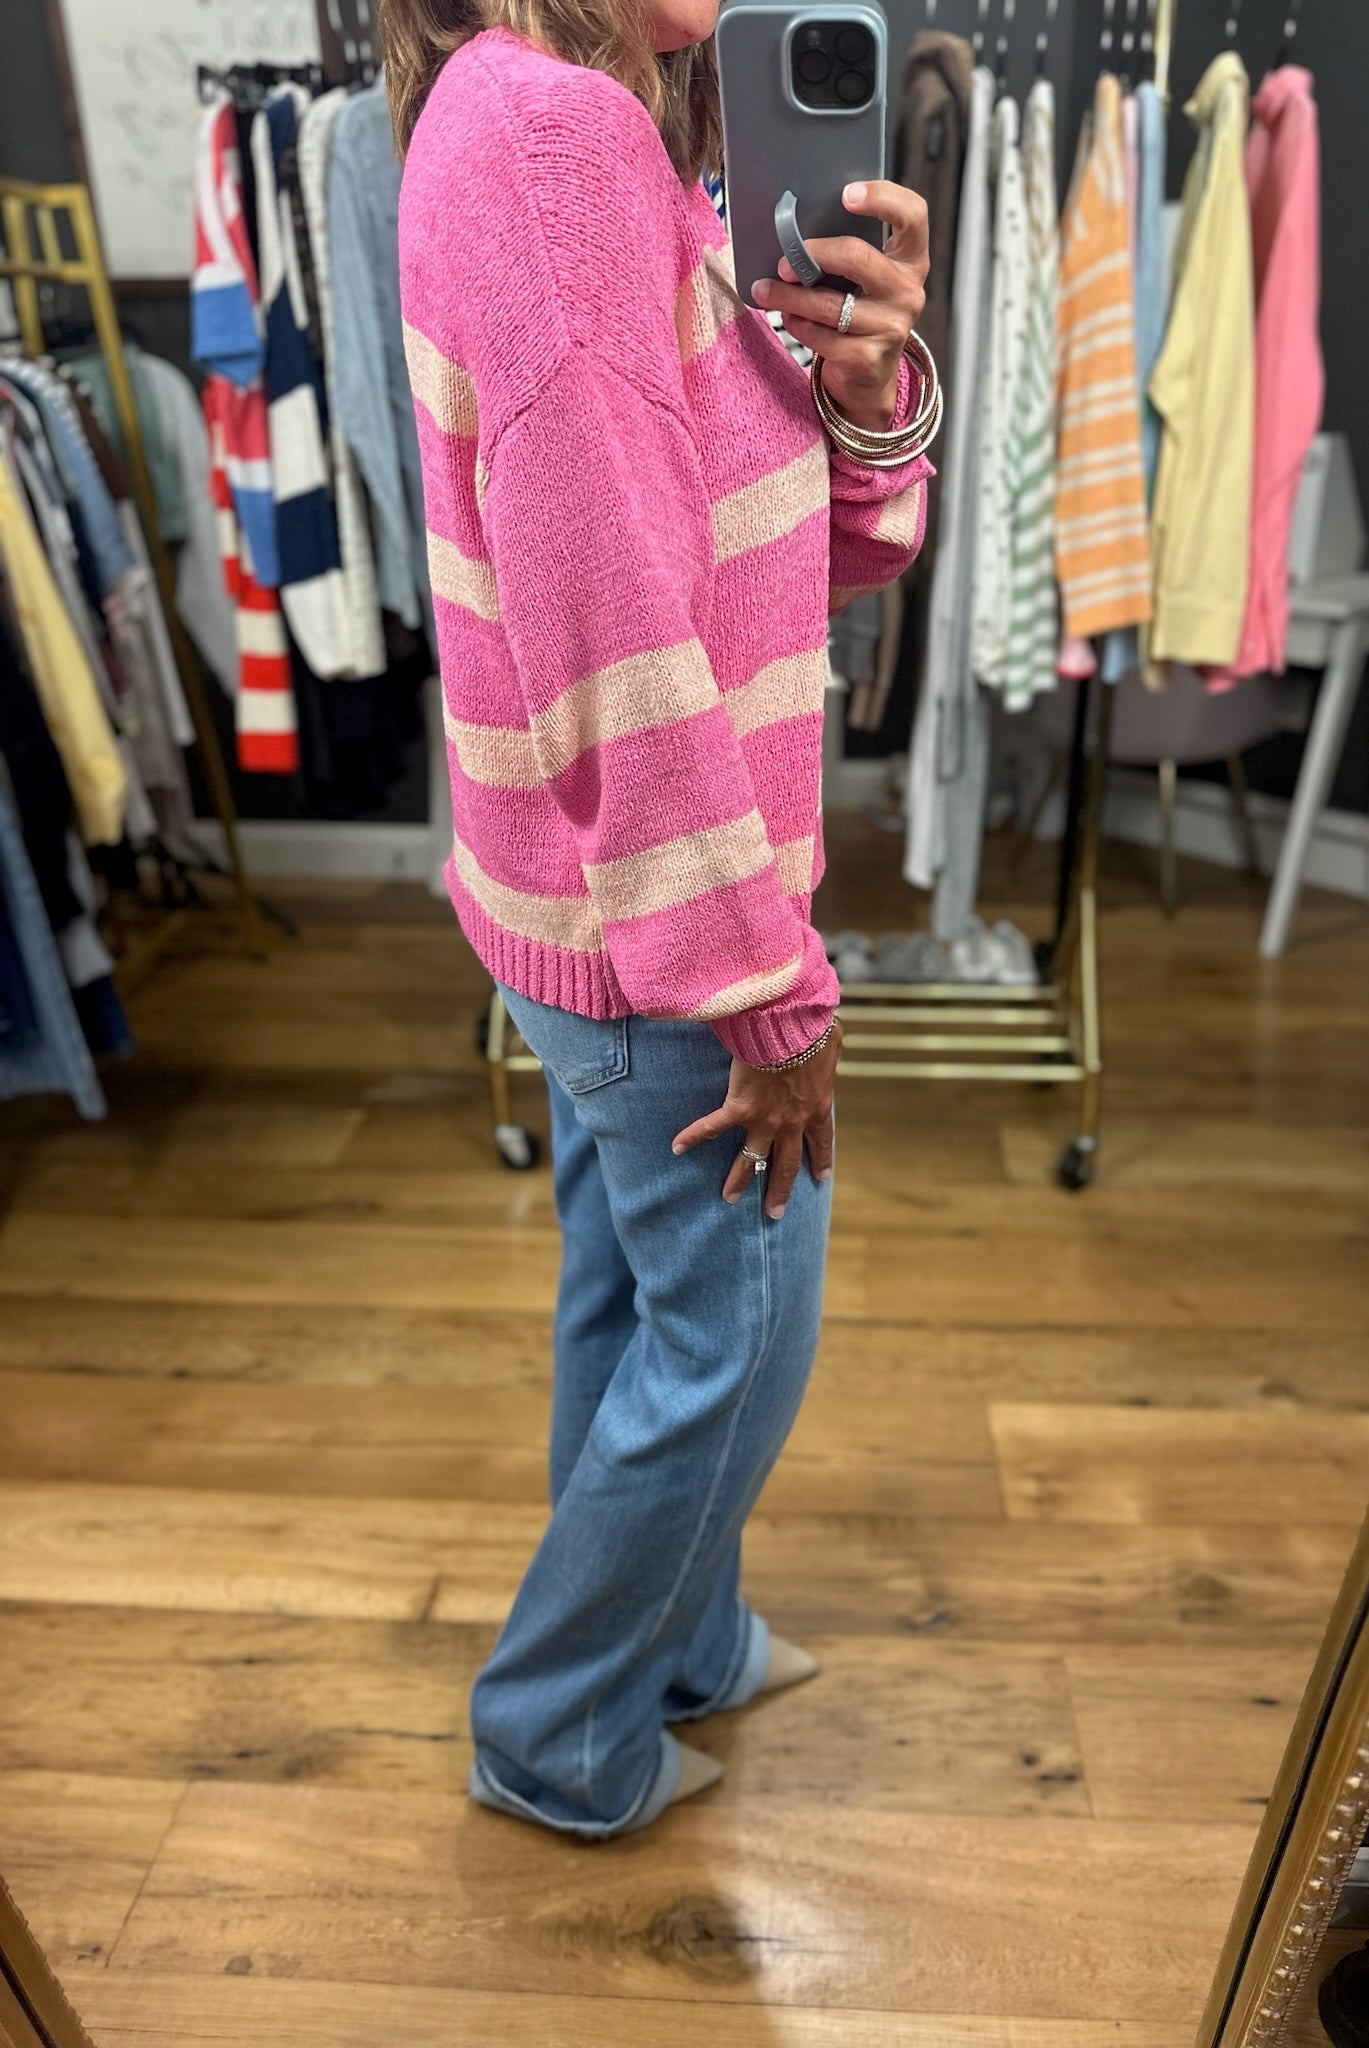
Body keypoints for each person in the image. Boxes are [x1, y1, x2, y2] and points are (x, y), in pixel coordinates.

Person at [383, 0, 936, 1838]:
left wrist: (867, 387)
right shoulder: (556, 141)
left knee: (633, 1306)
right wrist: (763, 990)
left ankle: (676, 1648)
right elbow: (611, 621)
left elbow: (771, 541)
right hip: (660, 927)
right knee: (733, 1345)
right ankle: (555, 1728)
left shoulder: (578, 120)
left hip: (591, 901)